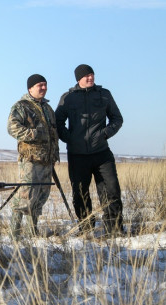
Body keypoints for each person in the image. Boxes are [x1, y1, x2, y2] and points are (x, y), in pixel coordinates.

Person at [55, 64, 125, 237]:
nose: (90, 78)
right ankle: (86, 228)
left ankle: (114, 228)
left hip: (102, 153)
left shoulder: (104, 94)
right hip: (77, 155)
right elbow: (57, 122)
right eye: (86, 76)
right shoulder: (68, 98)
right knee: (80, 193)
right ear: (78, 79)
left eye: (92, 75)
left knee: (111, 189)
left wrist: (105, 134)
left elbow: (117, 118)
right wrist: (69, 138)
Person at [7, 74, 59, 240]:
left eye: (45, 85)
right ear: (30, 88)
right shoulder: (22, 106)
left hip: (46, 160)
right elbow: (12, 128)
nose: (43, 88)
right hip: (30, 160)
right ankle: (14, 234)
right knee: (25, 198)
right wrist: (35, 134)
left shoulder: (48, 109)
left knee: (40, 198)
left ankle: (32, 232)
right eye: (39, 85)